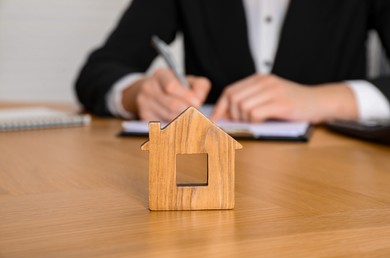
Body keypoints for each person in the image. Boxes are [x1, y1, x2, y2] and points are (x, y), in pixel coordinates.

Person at [75, 0, 390, 123]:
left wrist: (325, 100)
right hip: (211, 167)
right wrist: (139, 93)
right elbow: (99, 70)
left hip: (338, 176)